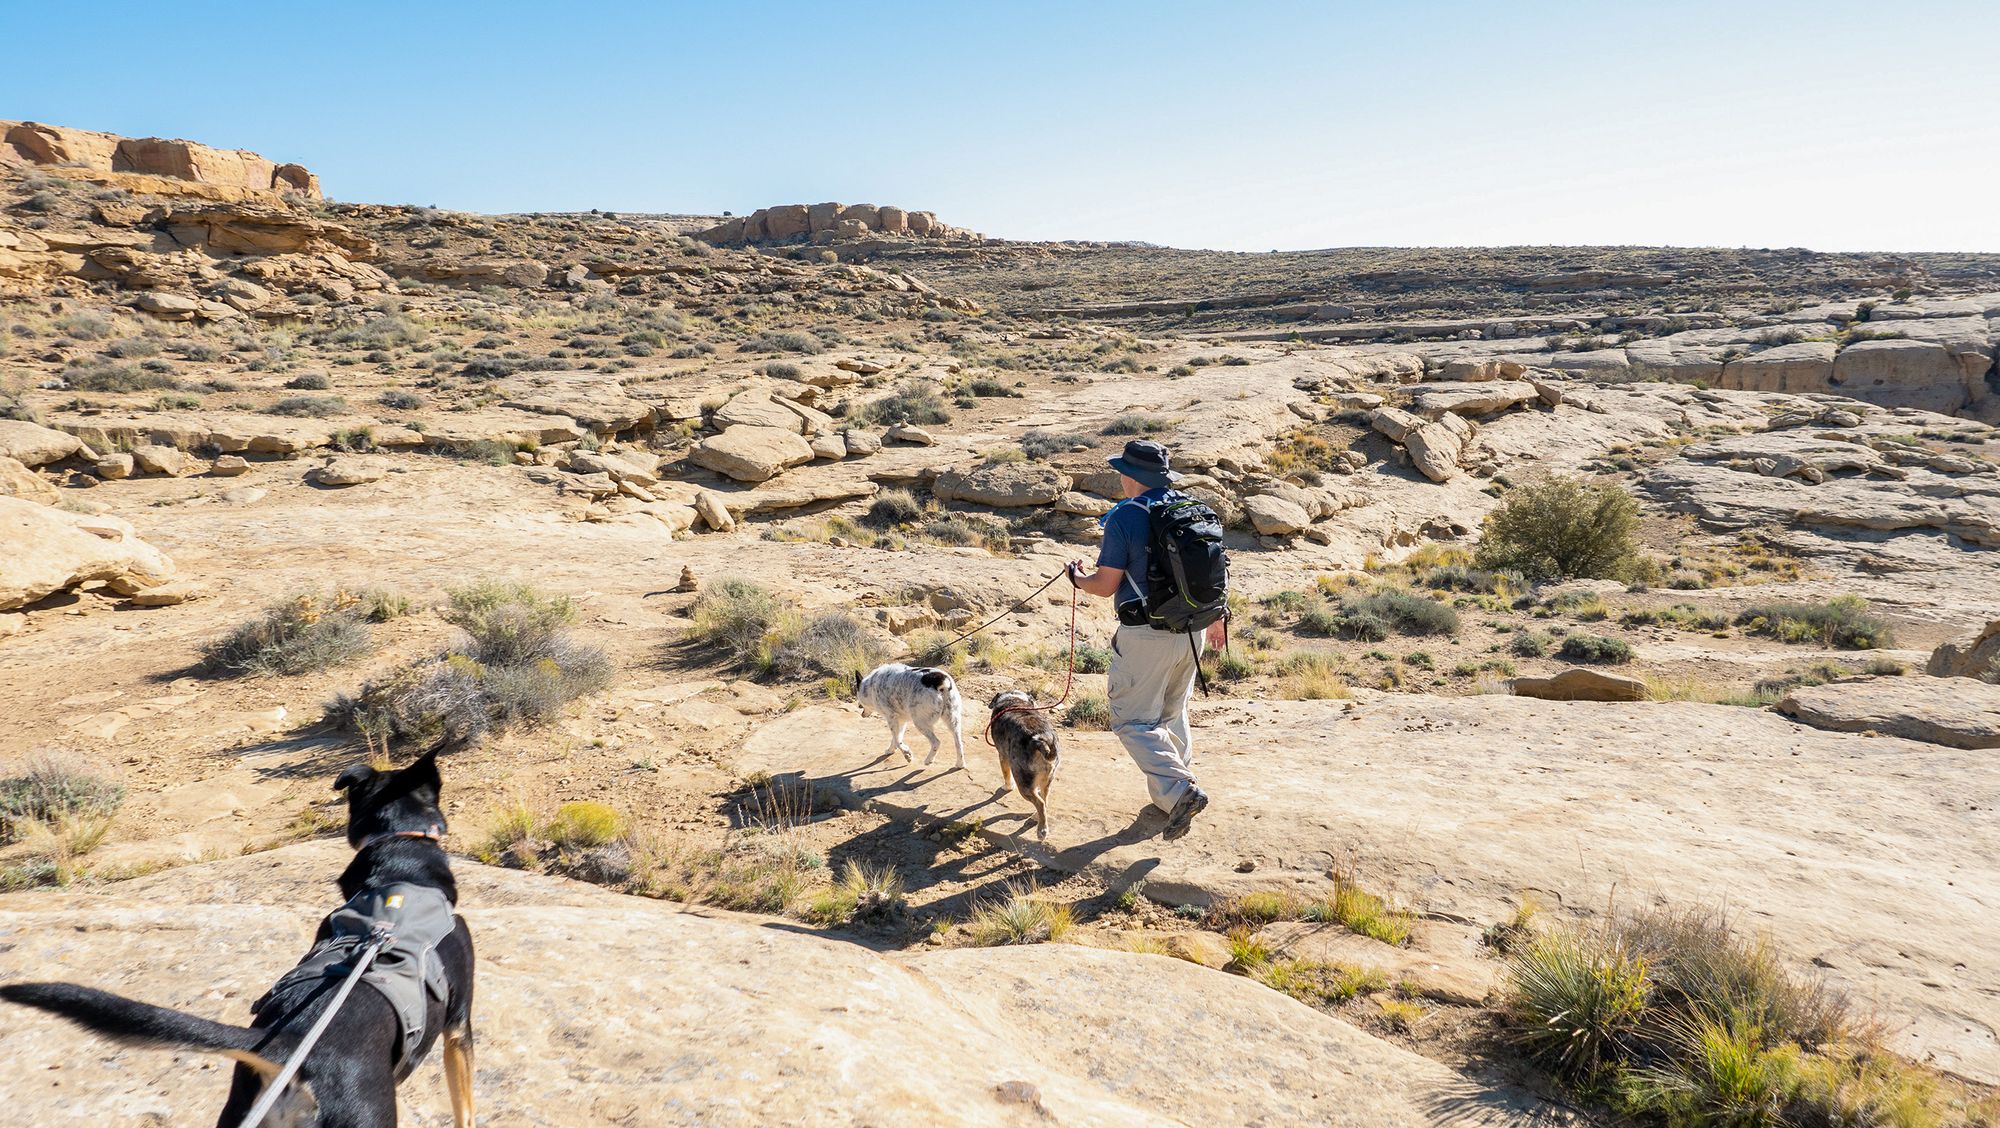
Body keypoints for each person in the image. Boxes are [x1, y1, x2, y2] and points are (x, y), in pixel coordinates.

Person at [1067, 440, 1227, 841]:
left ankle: (1179, 792)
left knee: (1132, 720)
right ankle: (1172, 792)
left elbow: (1105, 586)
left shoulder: (1125, 516)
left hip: (1146, 634)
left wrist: (1075, 577)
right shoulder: (1189, 509)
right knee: (1173, 710)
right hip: (1194, 628)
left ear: (1130, 476)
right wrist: (1218, 619)